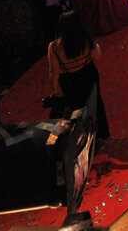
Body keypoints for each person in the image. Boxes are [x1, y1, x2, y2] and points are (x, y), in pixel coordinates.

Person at [47, 11, 110, 139]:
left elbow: (54, 72)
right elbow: (97, 57)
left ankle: (81, 137)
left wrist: (55, 91)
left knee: (75, 109)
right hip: (88, 75)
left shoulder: (54, 47)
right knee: (96, 104)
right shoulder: (86, 40)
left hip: (69, 80)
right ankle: (102, 134)